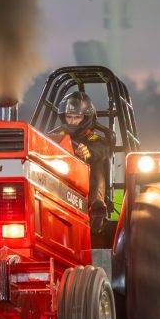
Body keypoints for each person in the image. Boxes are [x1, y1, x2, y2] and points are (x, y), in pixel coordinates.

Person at [50, 91, 111, 234]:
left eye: (77, 117)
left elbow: (102, 150)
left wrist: (87, 153)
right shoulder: (54, 136)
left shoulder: (95, 139)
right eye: (69, 117)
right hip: (59, 183)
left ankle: (97, 207)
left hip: (87, 187)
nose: (72, 121)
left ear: (85, 118)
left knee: (97, 165)